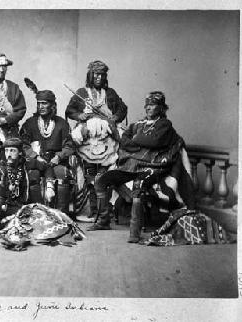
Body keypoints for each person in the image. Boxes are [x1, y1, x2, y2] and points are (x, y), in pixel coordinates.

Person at [92, 91, 195, 242]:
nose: (148, 108)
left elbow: (155, 142)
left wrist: (136, 141)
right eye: (147, 104)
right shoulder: (137, 124)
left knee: (138, 184)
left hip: (154, 167)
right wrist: (141, 142)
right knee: (102, 179)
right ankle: (103, 221)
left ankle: (134, 233)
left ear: (161, 108)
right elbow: (124, 141)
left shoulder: (165, 125)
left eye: (152, 105)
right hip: (131, 166)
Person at [65, 60, 128, 223]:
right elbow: (69, 110)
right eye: (96, 74)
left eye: (102, 74)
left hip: (107, 140)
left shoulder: (110, 93)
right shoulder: (81, 92)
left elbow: (123, 109)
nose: (99, 77)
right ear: (90, 75)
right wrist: (80, 116)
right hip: (87, 140)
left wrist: (115, 117)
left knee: (106, 174)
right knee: (89, 175)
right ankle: (91, 210)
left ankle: (105, 211)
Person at [0, 137, 49, 243]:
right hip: (2, 207)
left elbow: (47, 167)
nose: (9, 154)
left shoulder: (28, 164)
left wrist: (50, 186)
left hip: (20, 207)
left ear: (20, 152)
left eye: (12, 150)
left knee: (34, 223)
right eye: (7, 150)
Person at [20, 87, 75, 215]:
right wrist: (34, 156)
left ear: (52, 105)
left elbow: (69, 145)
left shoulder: (62, 124)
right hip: (36, 161)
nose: (41, 106)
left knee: (61, 174)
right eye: (39, 103)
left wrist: (59, 157)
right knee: (32, 174)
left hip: (56, 162)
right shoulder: (30, 123)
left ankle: (62, 215)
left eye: (44, 103)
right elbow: (23, 143)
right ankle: (37, 213)